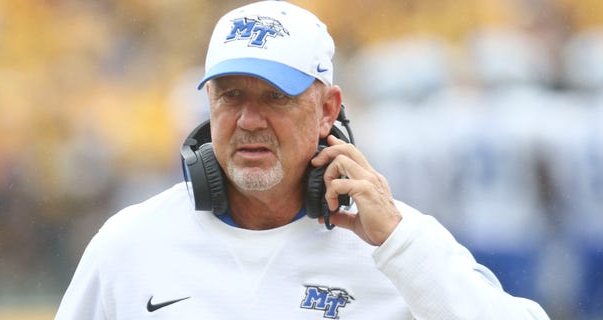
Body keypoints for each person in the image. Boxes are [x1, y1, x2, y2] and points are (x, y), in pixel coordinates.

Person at [55, 1, 550, 319]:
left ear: (328, 109)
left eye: (275, 97)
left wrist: (400, 244)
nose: (249, 119)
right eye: (230, 96)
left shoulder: (398, 246)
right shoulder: (129, 244)